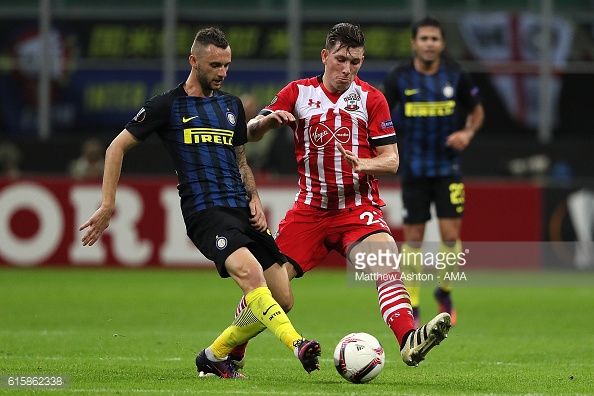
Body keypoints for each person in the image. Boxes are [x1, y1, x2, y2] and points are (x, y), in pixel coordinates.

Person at [78, 27, 321, 379]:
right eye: (214, 65)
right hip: (206, 213)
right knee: (252, 277)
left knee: (282, 297)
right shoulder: (167, 105)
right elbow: (115, 148)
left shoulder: (231, 105)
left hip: (241, 209)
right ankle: (298, 344)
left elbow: (240, 159)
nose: (222, 73)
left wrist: (252, 195)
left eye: (226, 65)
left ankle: (215, 354)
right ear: (194, 61)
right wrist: (108, 204)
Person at [221, 22, 452, 371]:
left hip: (356, 208)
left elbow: (392, 160)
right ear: (325, 56)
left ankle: (408, 339)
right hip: (309, 211)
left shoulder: (372, 99)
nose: (347, 69)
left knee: (386, 262)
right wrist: (266, 123)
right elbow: (250, 131)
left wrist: (365, 163)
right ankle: (231, 352)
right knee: (271, 288)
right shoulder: (298, 93)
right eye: (341, 59)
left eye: (356, 62)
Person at [382, 16, 485, 327]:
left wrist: (467, 133)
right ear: (414, 43)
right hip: (413, 168)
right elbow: (381, 112)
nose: (429, 44)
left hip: (447, 167)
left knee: (451, 234)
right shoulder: (400, 77)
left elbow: (477, 110)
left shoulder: (456, 75)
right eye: (423, 38)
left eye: (434, 39)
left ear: (442, 43)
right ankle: (411, 303)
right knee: (414, 237)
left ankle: (444, 291)